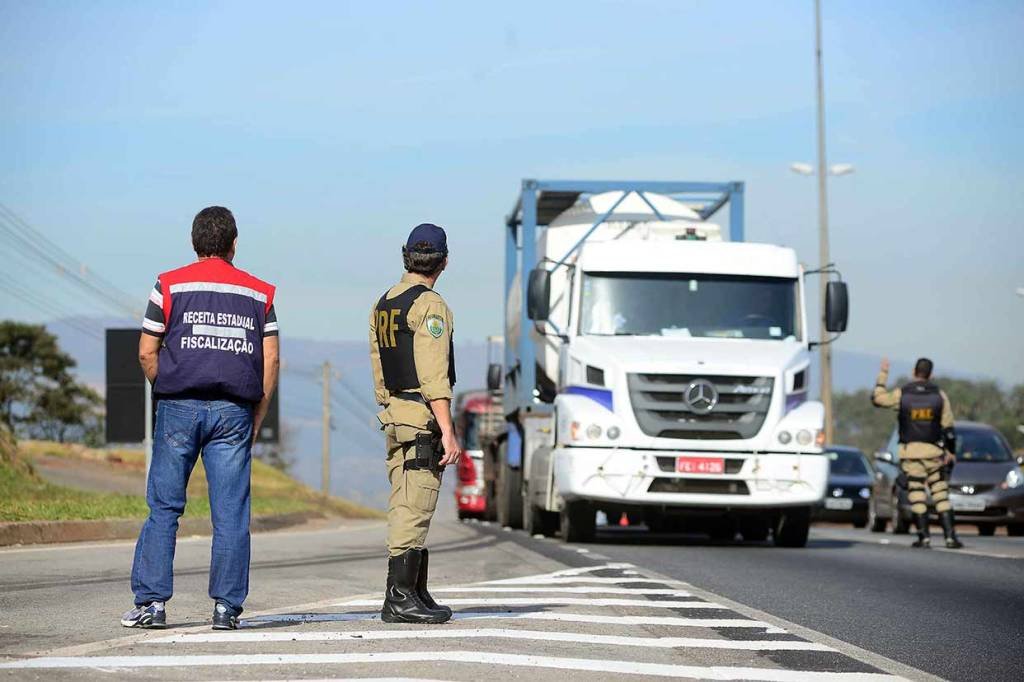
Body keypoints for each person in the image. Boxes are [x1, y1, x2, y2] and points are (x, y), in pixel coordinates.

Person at [121, 206, 280, 630]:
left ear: (194, 243)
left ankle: (152, 604)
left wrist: (169, 385)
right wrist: (257, 416)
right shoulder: (260, 293)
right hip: (234, 413)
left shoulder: (168, 285)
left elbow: (145, 350)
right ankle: (226, 608)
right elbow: (271, 359)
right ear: (233, 244)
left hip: (177, 408)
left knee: (164, 508)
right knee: (230, 514)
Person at [369, 223, 461, 624]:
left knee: (409, 498)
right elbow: (433, 374)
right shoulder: (430, 306)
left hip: (394, 414)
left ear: (406, 255)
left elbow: (378, 369)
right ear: (443, 261)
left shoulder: (384, 303)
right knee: (414, 504)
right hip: (420, 415)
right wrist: (448, 429)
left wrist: (390, 409)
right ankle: (399, 596)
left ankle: (416, 591)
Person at [872, 357, 962, 549]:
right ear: (931, 374)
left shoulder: (903, 394)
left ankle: (924, 537)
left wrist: (883, 375)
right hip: (934, 453)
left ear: (914, 372)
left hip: (911, 453)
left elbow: (877, 399)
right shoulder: (940, 396)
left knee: (917, 494)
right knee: (940, 494)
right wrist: (951, 452)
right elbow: (949, 430)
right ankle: (950, 537)